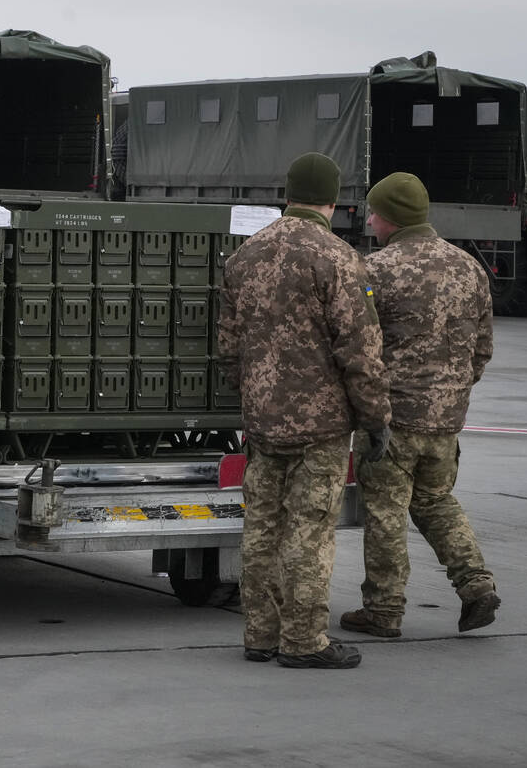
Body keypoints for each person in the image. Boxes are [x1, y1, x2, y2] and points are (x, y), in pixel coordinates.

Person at [218, 151, 391, 669]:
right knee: (310, 531)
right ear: (334, 201)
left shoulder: (244, 255)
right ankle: (304, 641)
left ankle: (260, 636)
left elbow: (229, 348)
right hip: (322, 425)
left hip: (263, 423)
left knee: (262, 529)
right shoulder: (339, 258)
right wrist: (375, 415)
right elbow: (359, 349)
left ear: (285, 194)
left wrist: (255, 396)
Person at [339, 172, 499, 638]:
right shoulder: (468, 267)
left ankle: (384, 610)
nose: (369, 219)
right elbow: (482, 349)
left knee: (386, 512)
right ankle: (476, 584)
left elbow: (360, 349)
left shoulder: (378, 270)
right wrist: (451, 394)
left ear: (389, 217)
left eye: (373, 211)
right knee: (437, 502)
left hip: (392, 418)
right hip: (445, 420)